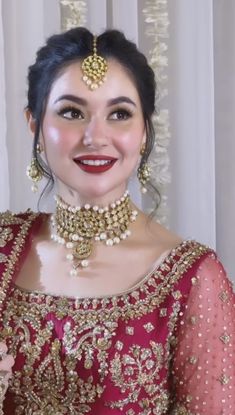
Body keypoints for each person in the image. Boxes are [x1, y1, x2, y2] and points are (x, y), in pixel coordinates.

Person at [0, 27, 234, 415]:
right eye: (72, 112)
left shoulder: (192, 280)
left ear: (144, 132)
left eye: (120, 114)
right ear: (35, 125)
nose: (95, 136)